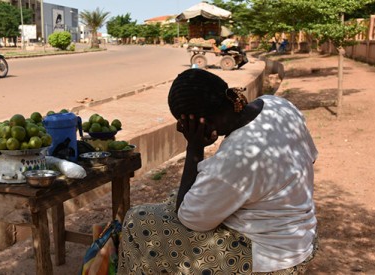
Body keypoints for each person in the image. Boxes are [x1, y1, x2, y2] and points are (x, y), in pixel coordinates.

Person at [118, 69, 318, 274]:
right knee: (175, 199)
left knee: (138, 220)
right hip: (300, 234)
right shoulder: (278, 105)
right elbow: (311, 157)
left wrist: (194, 147)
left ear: (199, 122)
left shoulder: (238, 156)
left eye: (185, 124)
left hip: (269, 257)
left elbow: (190, 219)